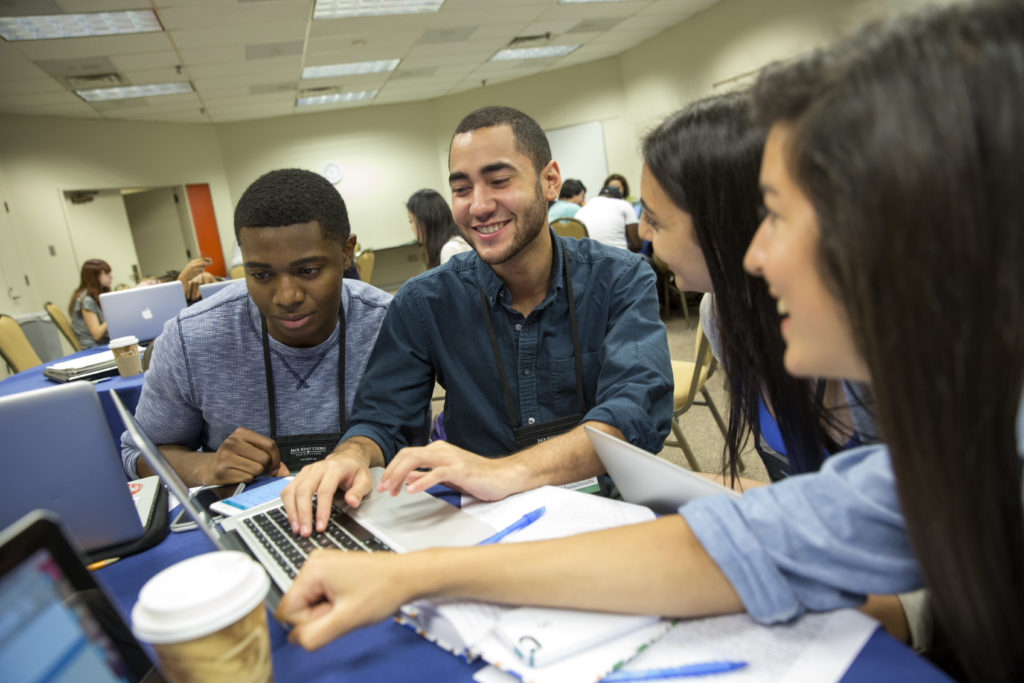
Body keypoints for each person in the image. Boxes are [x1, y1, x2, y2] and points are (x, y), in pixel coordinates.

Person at [276, 3, 1024, 679]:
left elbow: (647, 423)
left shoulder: (959, 418)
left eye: (783, 214)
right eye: (459, 185)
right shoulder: (940, 439)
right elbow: (786, 531)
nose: (757, 259)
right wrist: (410, 567)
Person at [281, 105, 672, 535]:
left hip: (607, 509)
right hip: (481, 521)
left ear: (550, 180)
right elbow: (382, 419)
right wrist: (351, 456)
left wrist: (504, 472)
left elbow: (635, 413)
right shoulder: (423, 302)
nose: (479, 206)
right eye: (462, 188)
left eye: (499, 181)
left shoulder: (619, 278)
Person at [120, 168, 393, 486]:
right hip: (241, 522)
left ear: (347, 252)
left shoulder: (390, 324)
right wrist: (206, 467)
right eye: (262, 275)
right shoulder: (192, 338)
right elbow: (136, 454)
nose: (286, 297)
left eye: (308, 270)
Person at [406, 189, 471, 269]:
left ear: (426, 220)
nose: (411, 228)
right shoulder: (454, 243)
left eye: (411, 221)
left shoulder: (450, 249)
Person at [574, 185, 641, 251]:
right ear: (619, 198)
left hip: (586, 258)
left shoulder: (584, 207)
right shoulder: (624, 204)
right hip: (617, 258)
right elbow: (636, 245)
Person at [68, 258, 112, 349]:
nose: (111, 276)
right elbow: (97, 334)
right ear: (95, 276)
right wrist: (113, 314)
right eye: (106, 273)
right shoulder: (86, 300)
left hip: (102, 343)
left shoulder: (95, 295)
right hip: (94, 347)